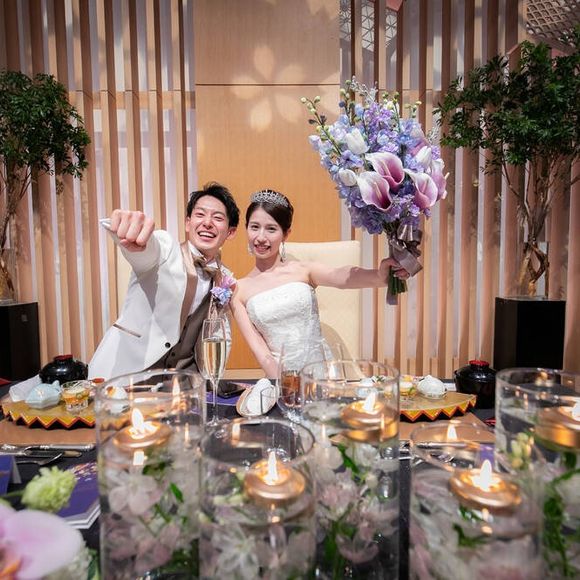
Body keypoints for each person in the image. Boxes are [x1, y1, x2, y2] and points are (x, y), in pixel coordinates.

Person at [231, 189, 410, 378]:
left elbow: (339, 276)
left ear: (285, 234)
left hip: (324, 379)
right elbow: (261, 352)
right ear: (246, 228)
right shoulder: (238, 290)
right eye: (254, 227)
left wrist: (380, 276)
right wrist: (285, 387)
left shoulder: (303, 270)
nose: (260, 237)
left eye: (271, 229)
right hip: (281, 381)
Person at [89, 182, 240, 378]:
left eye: (218, 218)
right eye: (200, 214)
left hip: (186, 381)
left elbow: (219, 334)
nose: (207, 222)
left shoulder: (225, 278)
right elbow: (148, 251)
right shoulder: (166, 249)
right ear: (188, 223)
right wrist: (137, 240)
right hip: (129, 373)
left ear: (230, 232)